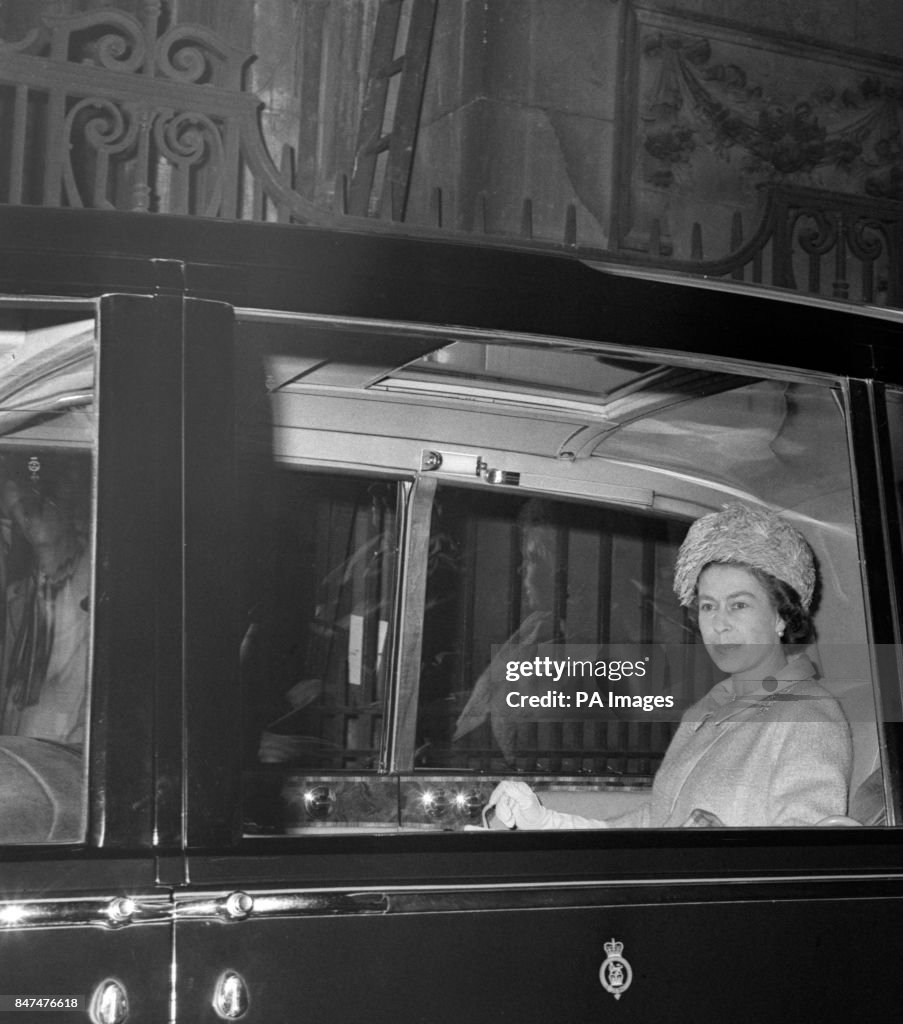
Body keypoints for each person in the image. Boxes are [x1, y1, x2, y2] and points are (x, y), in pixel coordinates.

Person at [485, 503, 852, 829]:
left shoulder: (808, 715)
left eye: (739, 605)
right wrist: (547, 822)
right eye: (708, 606)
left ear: (780, 617)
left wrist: (724, 850)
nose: (719, 623)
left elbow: (807, 866)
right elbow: (654, 821)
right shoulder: (707, 711)